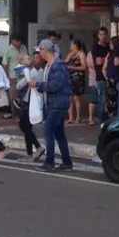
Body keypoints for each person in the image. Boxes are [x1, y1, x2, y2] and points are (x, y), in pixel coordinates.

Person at [32, 43, 73, 171]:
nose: (39, 54)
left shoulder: (58, 65)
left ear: (45, 51)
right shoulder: (50, 66)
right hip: (53, 103)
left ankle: (49, 162)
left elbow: (54, 85)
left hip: (58, 104)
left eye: (40, 51)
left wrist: (38, 84)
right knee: (59, 134)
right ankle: (67, 163)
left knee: (48, 131)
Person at [15, 51, 46, 161]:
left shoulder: (33, 72)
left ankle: (30, 153)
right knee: (24, 125)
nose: (34, 60)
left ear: (42, 60)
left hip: (32, 102)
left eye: (37, 58)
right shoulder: (39, 71)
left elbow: (19, 86)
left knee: (26, 126)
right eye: (33, 58)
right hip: (30, 101)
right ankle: (37, 147)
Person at [90, 28, 111, 123]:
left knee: (109, 99)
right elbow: (98, 62)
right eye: (100, 34)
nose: (102, 36)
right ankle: (101, 119)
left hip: (110, 76)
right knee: (101, 98)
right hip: (100, 77)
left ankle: (107, 117)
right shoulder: (95, 48)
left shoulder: (108, 47)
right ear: (98, 36)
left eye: (104, 34)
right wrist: (107, 58)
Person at [66, 40, 87, 124]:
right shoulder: (70, 54)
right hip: (70, 77)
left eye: (71, 44)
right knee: (69, 98)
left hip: (78, 78)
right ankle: (71, 117)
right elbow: (65, 63)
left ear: (75, 45)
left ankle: (78, 117)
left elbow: (84, 67)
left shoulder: (81, 54)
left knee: (76, 97)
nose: (70, 46)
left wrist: (73, 67)